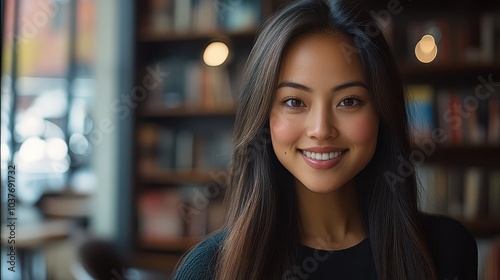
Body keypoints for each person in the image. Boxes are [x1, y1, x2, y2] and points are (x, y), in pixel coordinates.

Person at [173, 0, 478, 279]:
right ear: (262, 115)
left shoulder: (446, 249)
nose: (321, 129)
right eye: (294, 102)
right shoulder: (209, 269)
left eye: (348, 101)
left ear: (382, 112)